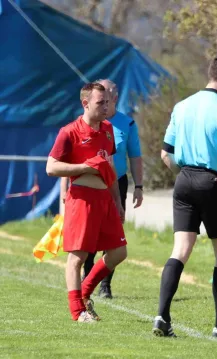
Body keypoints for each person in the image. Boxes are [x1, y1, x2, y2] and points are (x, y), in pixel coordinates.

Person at [153, 56, 217, 339]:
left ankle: (162, 315)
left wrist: (185, 176)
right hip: (215, 183)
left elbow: (165, 154)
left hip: (184, 180)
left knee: (180, 250)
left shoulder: (181, 106)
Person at [46, 82, 127, 322]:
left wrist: (118, 201)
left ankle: (84, 291)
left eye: (108, 102)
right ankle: (77, 311)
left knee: (119, 253)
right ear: (86, 103)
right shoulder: (69, 131)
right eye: (100, 103)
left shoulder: (109, 129)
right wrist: (84, 167)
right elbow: (51, 167)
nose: (106, 107)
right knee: (77, 257)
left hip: (105, 199)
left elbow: (108, 167)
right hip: (81, 199)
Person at [74, 78, 144, 299]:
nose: (106, 98)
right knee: (90, 235)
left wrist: (139, 186)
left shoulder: (126, 124)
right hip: (88, 185)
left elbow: (134, 156)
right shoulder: (82, 124)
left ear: (115, 97)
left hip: (117, 183)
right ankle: (87, 277)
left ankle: (105, 284)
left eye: (110, 94)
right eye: (101, 95)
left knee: (112, 236)